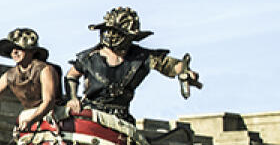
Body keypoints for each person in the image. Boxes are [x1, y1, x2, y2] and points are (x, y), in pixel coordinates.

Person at [65, 7, 200, 123]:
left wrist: (184, 71)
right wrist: (72, 98)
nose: (111, 36)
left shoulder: (142, 57)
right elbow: (71, 75)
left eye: (117, 33)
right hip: (92, 115)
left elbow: (168, 65)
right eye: (110, 31)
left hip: (122, 118)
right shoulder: (89, 58)